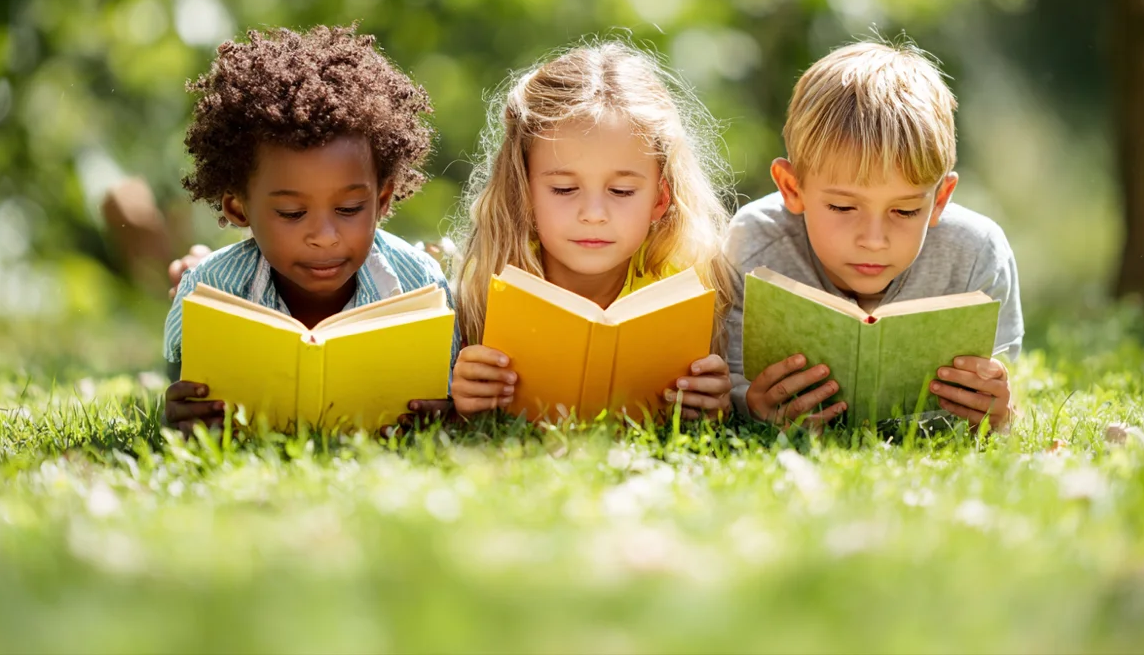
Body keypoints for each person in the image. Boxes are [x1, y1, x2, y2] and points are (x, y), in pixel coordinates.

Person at [162, 24, 458, 435]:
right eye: (291, 212)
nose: (324, 235)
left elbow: (450, 391)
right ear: (238, 207)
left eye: (350, 208)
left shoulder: (418, 287)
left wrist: (446, 410)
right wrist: (181, 409)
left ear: (383, 201)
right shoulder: (211, 290)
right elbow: (181, 378)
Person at [726, 39, 1022, 431]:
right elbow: (727, 378)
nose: (874, 239)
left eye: (905, 210)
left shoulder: (975, 253)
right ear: (792, 188)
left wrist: (996, 409)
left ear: (939, 199)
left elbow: (999, 386)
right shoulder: (753, 245)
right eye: (843, 208)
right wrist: (748, 402)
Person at [449, 40, 735, 420]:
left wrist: (711, 401)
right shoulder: (489, 284)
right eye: (564, 189)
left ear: (659, 199)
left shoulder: (683, 288)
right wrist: (466, 396)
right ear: (523, 192)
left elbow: (710, 409)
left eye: (621, 191)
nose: (594, 214)